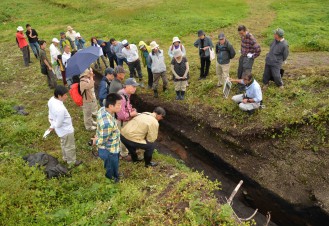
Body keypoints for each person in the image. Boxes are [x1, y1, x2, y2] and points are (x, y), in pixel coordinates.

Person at [48, 85, 83, 167]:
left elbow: (50, 114)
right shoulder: (60, 109)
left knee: (64, 143)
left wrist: (52, 124)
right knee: (69, 146)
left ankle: (65, 157)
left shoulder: (51, 100)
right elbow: (59, 124)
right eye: (65, 95)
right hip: (66, 130)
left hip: (60, 131)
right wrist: (54, 126)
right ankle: (71, 162)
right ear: (59, 96)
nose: (67, 96)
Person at [93, 93, 122, 182]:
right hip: (109, 150)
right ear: (110, 106)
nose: (120, 107)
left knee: (113, 164)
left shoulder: (103, 109)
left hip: (112, 146)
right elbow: (102, 140)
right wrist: (95, 141)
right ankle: (113, 179)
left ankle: (115, 174)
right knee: (111, 165)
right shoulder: (107, 123)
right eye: (118, 105)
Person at [117, 78, 140, 158]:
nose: (135, 89)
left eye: (135, 87)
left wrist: (131, 109)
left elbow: (127, 105)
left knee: (128, 136)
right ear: (127, 86)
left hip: (126, 119)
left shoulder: (126, 94)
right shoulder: (121, 97)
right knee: (124, 137)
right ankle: (123, 154)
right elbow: (121, 115)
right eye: (133, 87)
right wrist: (131, 113)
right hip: (122, 121)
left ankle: (128, 150)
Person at [237, 25, 261, 90]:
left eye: (241, 33)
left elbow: (258, 50)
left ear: (245, 31)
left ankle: (244, 87)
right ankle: (240, 83)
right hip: (243, 56)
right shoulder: (242, 36)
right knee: (240, 70)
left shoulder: (251, 38)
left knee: (246, 73)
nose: (240, 35)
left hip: (248, 58)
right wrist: (241, 51)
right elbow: (244, 45)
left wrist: (252, 56)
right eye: (239, 33)